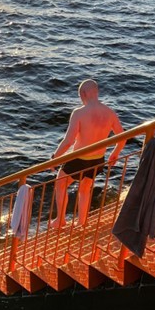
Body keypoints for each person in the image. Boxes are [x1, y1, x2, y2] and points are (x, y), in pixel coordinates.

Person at [50, 79, 125, 228]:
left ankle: (60, 220)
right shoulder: (109, 113)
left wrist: (55, 158)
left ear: (83, 94)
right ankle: (82, 222)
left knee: (60, 183)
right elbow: (122, 136)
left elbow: (68, 141)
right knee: (85, 189)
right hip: (98, 159)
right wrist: (114, 154)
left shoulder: (79, 113)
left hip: (79, 158)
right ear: (96, 92)